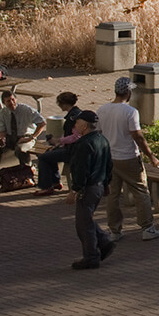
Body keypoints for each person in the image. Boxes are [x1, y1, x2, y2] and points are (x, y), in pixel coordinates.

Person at [97, 77, 159, 241]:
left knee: (113, 194)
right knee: (141, 192)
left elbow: (98, 134)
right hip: (128, 157)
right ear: (128, 92)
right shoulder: (130, 112)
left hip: (110, 158)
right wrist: (151, 156)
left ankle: (115, 231)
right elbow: (138, 137)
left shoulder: (102, 110)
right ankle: (147, 227)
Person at [65, 110, 115, 270]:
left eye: (78, 122)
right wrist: (107, 183)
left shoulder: (84, 144)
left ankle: (91, 256)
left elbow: (82, 169)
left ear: (85, 125)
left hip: (88, 188)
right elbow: (109, 165)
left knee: (83, 224)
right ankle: (104, 242)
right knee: (86, 219)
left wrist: (75, 190)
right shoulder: (102, 140)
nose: (75, 125)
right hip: (99, 185)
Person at [0, 91, 46, 187]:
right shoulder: (2, 114)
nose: (12, 103)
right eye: (8, 101)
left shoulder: (26, 110)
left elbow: (42, 123)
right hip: (10, 137)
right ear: (4, 103)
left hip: (25, 137)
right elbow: (2, 131)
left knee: (20, 149)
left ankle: (27, 174)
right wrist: (1, 139)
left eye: (13, 99)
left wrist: (32, 137)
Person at [32, 92, 83, 196]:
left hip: (73, 151)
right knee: (51, 152)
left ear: (64, 104)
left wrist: (59, 141)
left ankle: (45, 186)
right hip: (74, 149)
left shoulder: (73, 118)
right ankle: (55, 181)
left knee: (43, 158)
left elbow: (76, 136)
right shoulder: (77, 113)